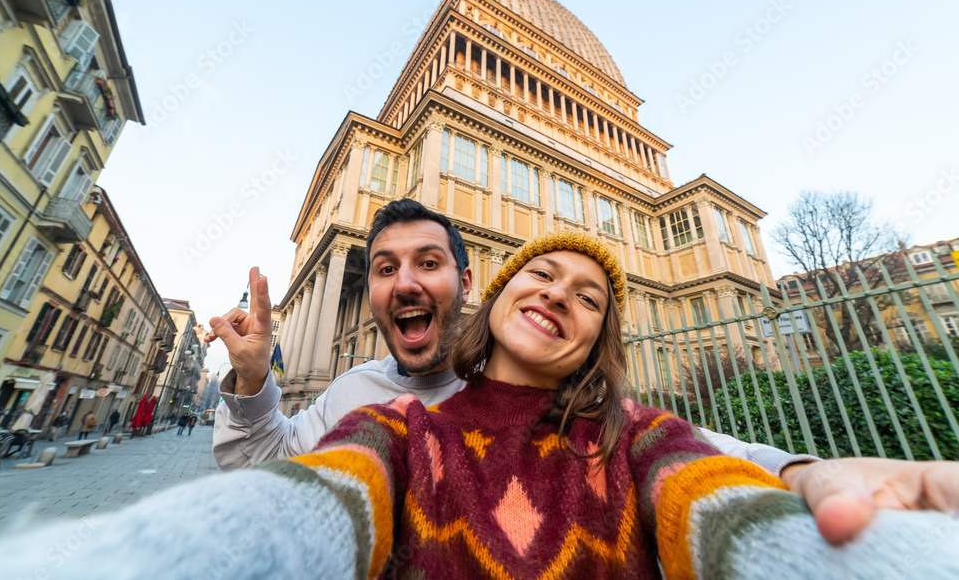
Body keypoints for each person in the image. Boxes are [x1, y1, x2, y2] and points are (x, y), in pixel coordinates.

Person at [0, 233, 959, 578]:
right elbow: (308, 502)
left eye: (588, 297)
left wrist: (801, 487)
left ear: (597, 341)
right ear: (492, 305)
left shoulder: (636, 436)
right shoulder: (397, 420)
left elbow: (717, 500)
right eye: (544, 276)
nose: (560, 296)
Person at [211, 199, 959, 544]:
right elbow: (296, 494)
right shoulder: (376, 411)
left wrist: (802, 470)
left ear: (473, 285)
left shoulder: (594, 427)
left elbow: (693, 457)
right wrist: (251, 383)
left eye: (429, 262)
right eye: (384, 268)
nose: (405, 282)